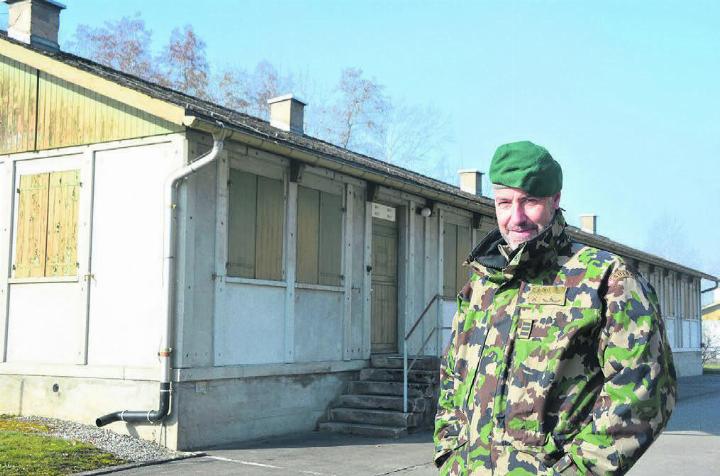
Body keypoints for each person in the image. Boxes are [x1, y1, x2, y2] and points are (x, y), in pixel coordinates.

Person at [433, 141, 676, 475]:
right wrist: (449, 454)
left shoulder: (604, 278)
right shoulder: (481, 287)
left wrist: (574, 470)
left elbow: (644, 388)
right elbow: (451, 379)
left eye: (529, 201)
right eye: (504, 203)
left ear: (555, 200)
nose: (515, 217)